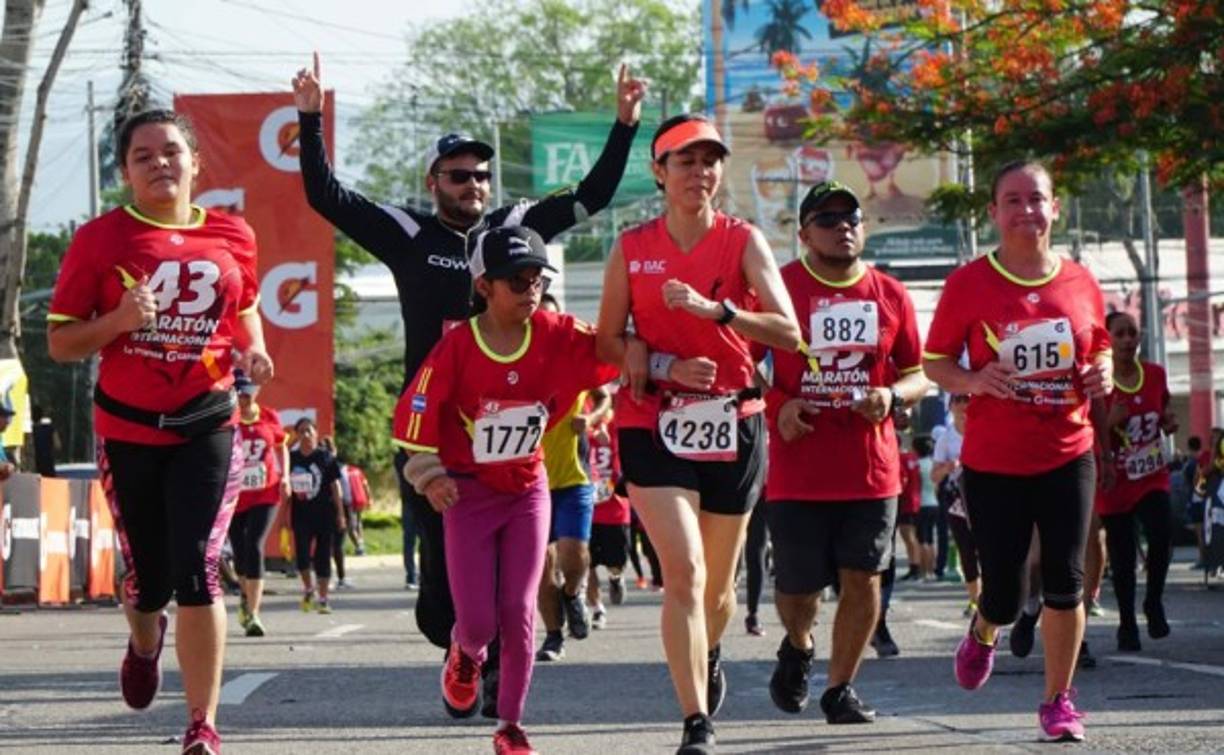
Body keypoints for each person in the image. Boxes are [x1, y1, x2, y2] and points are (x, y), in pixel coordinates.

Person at [292, 54, 645, 645]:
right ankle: (460, 640)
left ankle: (498, 668)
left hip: (510, 429)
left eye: (482, 174)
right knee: (442, 597)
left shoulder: (517, 225)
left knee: (510, 571)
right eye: (459, 175)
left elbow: (593, 195)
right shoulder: (406, 234)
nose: (474, 185)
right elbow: (325, 194)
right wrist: (308, 118)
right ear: (434, 183)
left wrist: (625, 124)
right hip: (435, 432)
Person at [46, 108, 273, 755]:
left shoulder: (233, 233)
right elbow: (61, 342)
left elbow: (246, 307)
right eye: (143, 155)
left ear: (196, 162)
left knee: (200, 566)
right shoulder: (100, 239)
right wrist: (117, 319)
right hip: (129, 428)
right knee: (148, 578)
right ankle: (145, 639)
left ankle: (202, 723)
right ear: (125, 172)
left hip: (208, 420)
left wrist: (253, 351)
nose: (160, 163)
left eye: (172, 151)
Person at [596, 113, 801, 754]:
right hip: (653, 420)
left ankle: (707, 649)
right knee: (681, 571)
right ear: (659, 173)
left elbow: (790, 332)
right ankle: (695, 722)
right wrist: (654, 361)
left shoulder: (743, 241)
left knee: (717, 588)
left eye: (709, 160)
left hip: (733, 422)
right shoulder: (632, 247)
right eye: (684, 161)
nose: (699, 172)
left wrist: (722, 312)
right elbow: (604, 338)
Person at [393, 226, 621, 755]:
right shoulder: (456, 347)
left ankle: (511, 726)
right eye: (514, 280)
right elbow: (414, 415)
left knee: (519, 611)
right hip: (468, 495)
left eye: (536, 278)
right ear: (483, 286)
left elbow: (613, 349)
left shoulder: (558, 332)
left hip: (527, 491)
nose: (529, 289)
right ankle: (464, 653)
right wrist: (431, 476)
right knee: (476, 621)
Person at [923, 160, 1112, 742]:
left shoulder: (1080, 280)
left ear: (1056, 208)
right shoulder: (968, 284)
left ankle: (1059, 701)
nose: (1026, 210)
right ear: (994, 213)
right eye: (1013, 200)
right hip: (995, 460)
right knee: (1005, 595)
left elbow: (1098, 343)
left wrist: (1101, 369)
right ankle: (985, 628)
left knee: (1065, 580)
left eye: (1037, 199)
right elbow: (935, 361)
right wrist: (973, 381)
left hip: (1067, 448)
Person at [762, 180, 926, 725]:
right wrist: (778, 403)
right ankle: (800, 644)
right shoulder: (779, 288)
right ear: (805, 232)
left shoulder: (890, 293)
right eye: (827, 219)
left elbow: (919, 374)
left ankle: (840, 688)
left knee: (864, 577)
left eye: (850, 217)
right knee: (798, 590)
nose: (842, 227)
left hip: (871, 469)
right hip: (799, 469)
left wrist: (892, 395)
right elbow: (740, 363)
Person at [535, 294, 612, 660]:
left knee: (574, 553)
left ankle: (573, 594)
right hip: (530, 484)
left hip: (573, 478)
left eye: (552, 322)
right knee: (540, 567)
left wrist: (592, 419)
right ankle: (553, 636)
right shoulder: (516, 362)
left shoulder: (575, 360)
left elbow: (605, 397)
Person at [1096, 311, 1174, 650]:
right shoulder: (1099, 384)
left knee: (1162, 534)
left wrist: (1167, 421)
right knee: (1123, 555)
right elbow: (1086, 436)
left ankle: (1153, 601)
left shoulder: (1155, 375)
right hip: (1116, 480)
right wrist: (1109, 423)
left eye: (1133, 333)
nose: (1128, 339)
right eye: (1120, 334)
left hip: (1151, 474)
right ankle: (1127, 623)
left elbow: (1164, 408)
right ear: (1108, 340)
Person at [229, 371, 289, 637]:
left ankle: (253, 613)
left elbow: (280, 445)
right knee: (240, 551)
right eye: (237, 393)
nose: (241, 398)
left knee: (254, 544)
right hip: (234, 494)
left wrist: (285, 475)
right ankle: (245, 594)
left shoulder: (269, 416)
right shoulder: (227, 419)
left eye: (245, 393)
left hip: (266, 490)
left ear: (254, 393)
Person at [288, 418, 345, 614]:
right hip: (301, 514)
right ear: (296, 434)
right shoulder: (291, 459)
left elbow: (335, 486)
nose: (306, 435)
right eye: (301, 431)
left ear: (316, 433)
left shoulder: (326, 457)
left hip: (324, 515)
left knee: (323, 556)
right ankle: (308, 588)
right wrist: (283, 519)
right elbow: (286, 491)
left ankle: (323, 598)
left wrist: (341, 514)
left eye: (309, 431)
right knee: (302, 556)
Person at [932, 393, 981, 616]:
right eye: (958, 401)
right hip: (956, 499)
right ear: (950, 406)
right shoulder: (946, 438)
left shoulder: (984, 429)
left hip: (985, 496)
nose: (963, 406)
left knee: (989, 549)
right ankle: (975, 600)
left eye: (967, 400)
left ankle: (991, 598)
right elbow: (935, 475)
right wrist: (948, 467)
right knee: (966, 549)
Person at [586, 409, 632, 630]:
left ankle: (616, 578)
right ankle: (597, 609)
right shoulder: (579, 423)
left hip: (615, 509)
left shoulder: (619, 424)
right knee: (586, 563)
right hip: (585, 507)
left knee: (616, 563)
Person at [914, 436, 938, 580]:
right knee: (930, 539)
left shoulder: (917, 464)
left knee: (921, 540)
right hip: (934, 503)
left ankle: (924, 572)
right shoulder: (933, 463)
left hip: (921, 504)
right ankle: (932, 571)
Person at [897, 439, 922, 580]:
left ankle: (914, 567)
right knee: (911, 536)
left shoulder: (899, 458)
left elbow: (902, 479)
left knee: (908, 535)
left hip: (906, 501)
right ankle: (915, 567)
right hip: (915, 498)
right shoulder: (912, 458)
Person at [343, 462, 372, 555]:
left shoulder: (343, 472)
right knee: (359, 523)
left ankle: (359, 547)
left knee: (350, 526)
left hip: (351, 501)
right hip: (361, 499)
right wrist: (370, 498)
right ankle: (361, 543)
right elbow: (366, 485)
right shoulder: (358, 471)